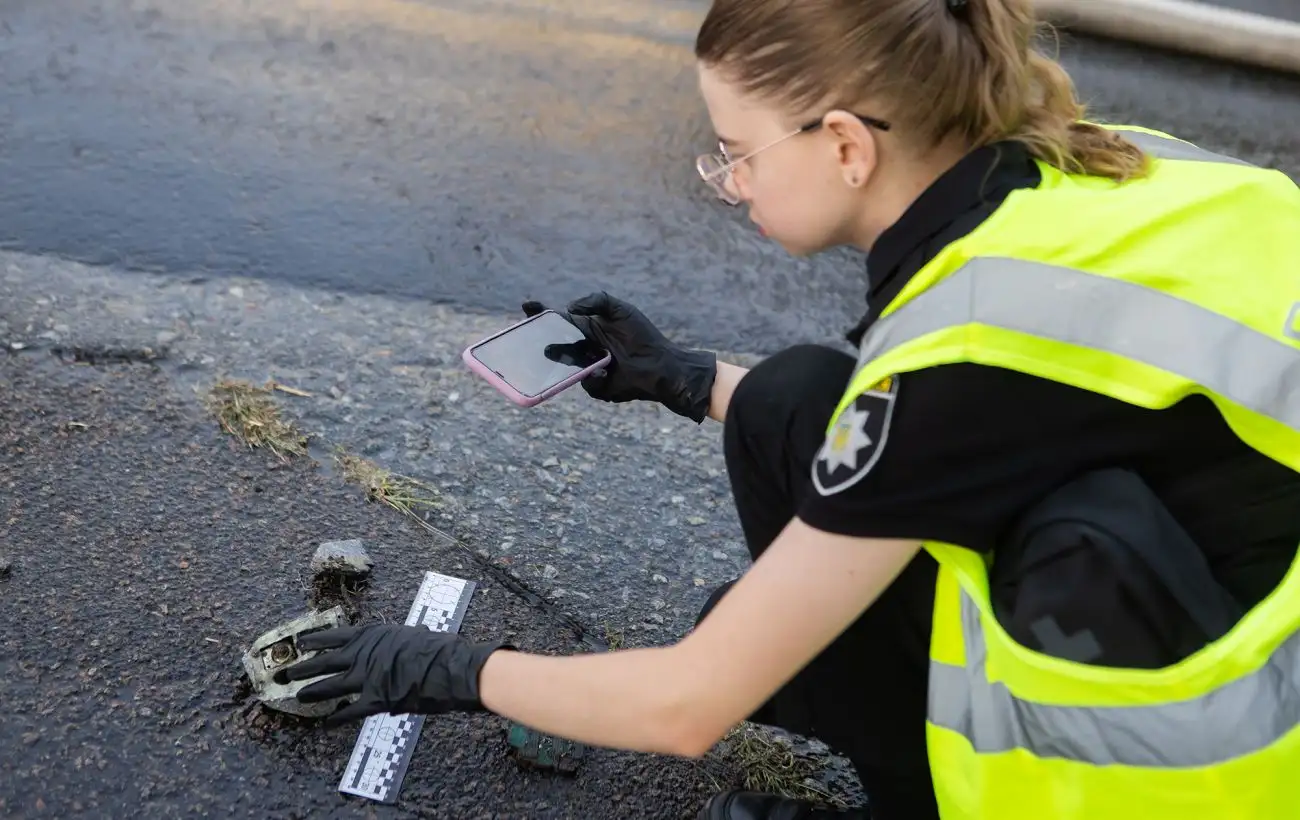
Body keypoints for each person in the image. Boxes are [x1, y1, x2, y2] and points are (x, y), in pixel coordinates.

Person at [281, 0, 1300, 817]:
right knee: (790, 397)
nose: (726, 183)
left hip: (1241, 749)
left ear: (846, 144)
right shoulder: (1088, 166)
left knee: (766, 635)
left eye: (736, 151)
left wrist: (441, 667)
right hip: (1231, 576)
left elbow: (687, 704)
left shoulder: (970, 344)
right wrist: (683, 378)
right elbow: (950, 432)